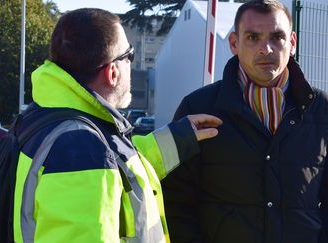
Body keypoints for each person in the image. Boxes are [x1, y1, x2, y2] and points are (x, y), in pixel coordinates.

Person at [161, 1, 328, 242]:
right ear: (234, 43)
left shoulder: (323, 111)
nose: (266, 49)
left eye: (277, 37)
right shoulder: (198, 109)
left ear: (292, 43)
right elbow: (175, 203)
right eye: (253, 37)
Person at [14, 8, 222, 243]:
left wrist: (176, 140)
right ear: (113, 72)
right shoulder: (82, 149)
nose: (130, 64)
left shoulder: (46, 120)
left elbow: (116, 166)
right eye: (129, 55)